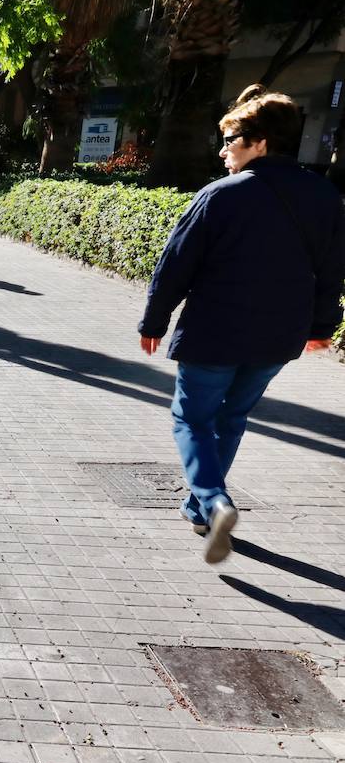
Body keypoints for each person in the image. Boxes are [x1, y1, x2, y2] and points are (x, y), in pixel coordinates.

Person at [138, 85, 344, 564]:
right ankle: (199, 508)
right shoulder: (325, 196)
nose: (223, 149)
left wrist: (154, 319)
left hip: (215, 330)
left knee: (191, 418)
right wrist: (322, 325)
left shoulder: (220, 195)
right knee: (231, 417)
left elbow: (175, 265)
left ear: (261, 143)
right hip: (279, 336)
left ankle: (214, 500)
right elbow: (333, 270)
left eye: (231, 139)